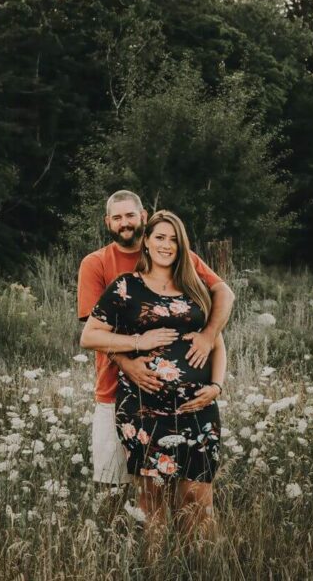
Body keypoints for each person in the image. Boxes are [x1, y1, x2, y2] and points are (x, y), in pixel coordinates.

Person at [80, 209, 227, 543]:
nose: (166, 245)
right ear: (146, 241)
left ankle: (202, 570)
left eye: (174, 239)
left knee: (199, 503)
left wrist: (217, 386)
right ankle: (157, 571)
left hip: (198, 409)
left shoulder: (195, 287)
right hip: (144, 409)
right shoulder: (126, 288)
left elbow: (217, 341)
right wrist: (136, 342)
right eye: (160, 237)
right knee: (154, 505)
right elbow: (89, 336)